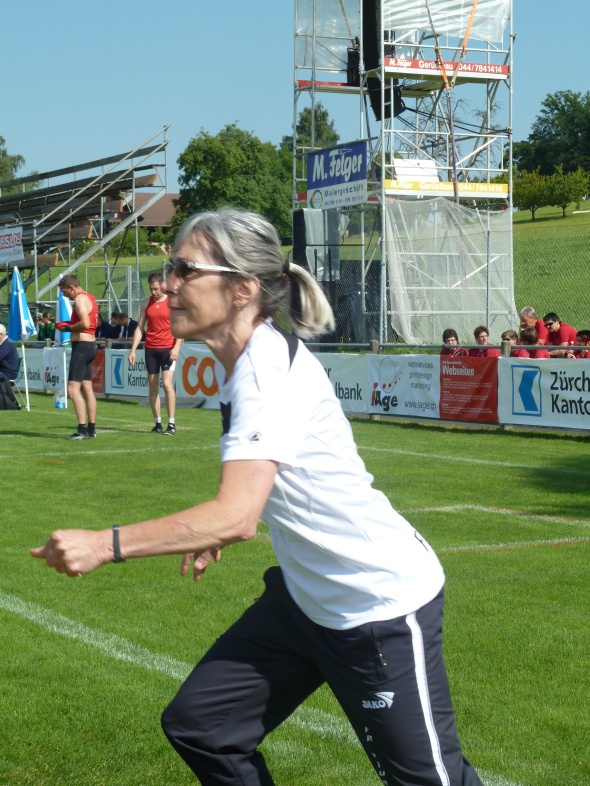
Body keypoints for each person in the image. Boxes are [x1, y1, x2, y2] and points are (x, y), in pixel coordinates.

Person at [32, 208, 485, 786]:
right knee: (204, 727)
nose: (169, 284)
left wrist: (104, 544)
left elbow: (237, 515)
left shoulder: (264, 371)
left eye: (185, 269)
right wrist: (215, 526)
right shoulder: (243, 363)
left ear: (242, 288)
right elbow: (254, 490)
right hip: (304, 602)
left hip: (375, 606)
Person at [128, 272, 182, 435]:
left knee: (167, 384)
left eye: (156, 289)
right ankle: (157, 423)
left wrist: (176, 347)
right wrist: (133, 350)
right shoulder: (146, 303)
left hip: (167, 349)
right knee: (152, 385)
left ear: (162, 286)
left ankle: (171, 424)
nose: (153, 292)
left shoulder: (172, 302)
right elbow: (140, 328)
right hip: (151, 349)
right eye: (151, 289)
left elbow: (180, 327)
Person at [55, 275, 99, 440]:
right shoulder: (90, 297)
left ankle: (82, 430)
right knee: (87, 388)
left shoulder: (80, 299)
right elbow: (93, 323)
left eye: (65, 292)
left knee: (72, 389)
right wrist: (70, 325)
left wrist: (67, 328)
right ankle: (91, 429)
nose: (65, 295)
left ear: (72, 287)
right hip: (90, 346)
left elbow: (85, 324)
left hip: (82, 347)